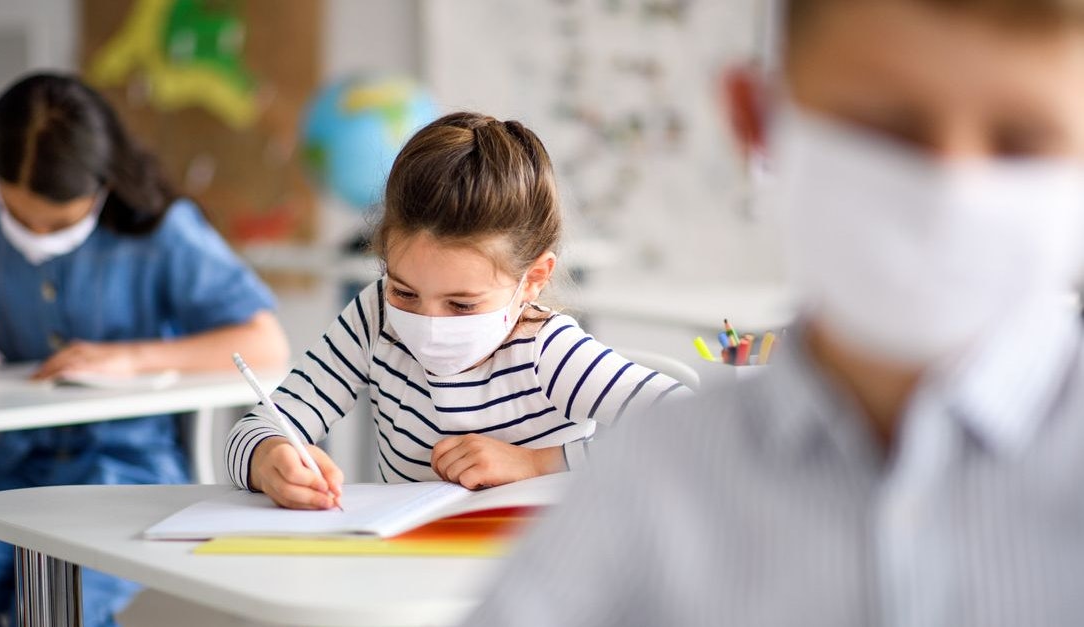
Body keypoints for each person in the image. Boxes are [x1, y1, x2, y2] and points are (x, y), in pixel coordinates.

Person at [464, 0, 1084, 624]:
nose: (952, 191)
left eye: (1022, 142)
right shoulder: (650, 479)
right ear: (758, 120)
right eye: (888, 129)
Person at [0, 73, 289, 627]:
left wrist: (132, 357)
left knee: (58, 610)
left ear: (102, 185)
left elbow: (265, 342)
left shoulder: (161, 228)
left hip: (127, 468)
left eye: (59, 223)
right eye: (17, 217)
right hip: (17, 468)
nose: (36, 235)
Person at [224, 112, 686, 509]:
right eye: (404, 292)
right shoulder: (373, 317)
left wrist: (537, 463)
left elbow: (692, 429)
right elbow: (259, 426)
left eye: (462, 305)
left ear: (534, 278)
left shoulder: (547, 351)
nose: (427, 325)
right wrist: (270, 458)